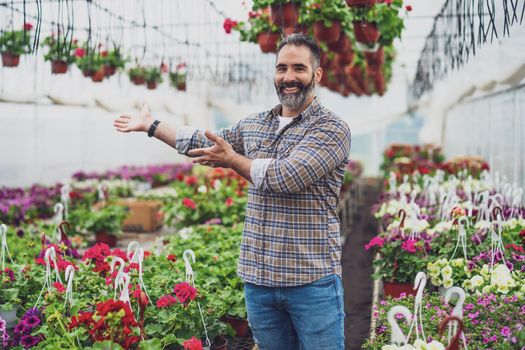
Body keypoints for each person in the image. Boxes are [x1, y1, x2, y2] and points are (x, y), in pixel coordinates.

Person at [114, 33, 351, 350]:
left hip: (310, 282)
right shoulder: (255, 124)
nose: (288, 77)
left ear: (317, 74)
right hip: (259, 283)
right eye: (281, 68)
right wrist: (152, 126)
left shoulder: (330, 128)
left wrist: (232, 160)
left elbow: (285, 177)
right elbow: (203, 140)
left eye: (299, 68)